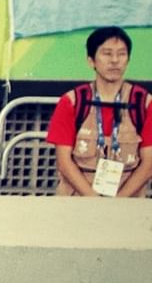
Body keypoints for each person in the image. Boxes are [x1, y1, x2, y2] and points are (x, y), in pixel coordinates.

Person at [44, 27, 152, 198]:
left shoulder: (144, 103)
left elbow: (149, 164)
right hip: (77, 202)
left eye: (121, 54)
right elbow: (64, 162)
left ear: (128, 59)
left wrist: (118, 202)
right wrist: (94, 201)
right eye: (107, 53)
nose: (115, 60)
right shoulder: (72, 102)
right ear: (91, 61)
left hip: (128, 205)